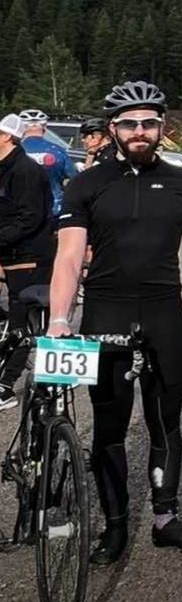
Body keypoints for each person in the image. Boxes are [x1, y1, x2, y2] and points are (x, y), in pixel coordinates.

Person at [46, 80, 182, 564]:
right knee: (110, 424)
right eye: (129, 123)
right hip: (106, 309)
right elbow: (68, 258)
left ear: (161, 127)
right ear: (113, 128)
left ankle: (165, 518)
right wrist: (59, 319)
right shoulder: (85, 185)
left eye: (148, 123)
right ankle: (115, 525)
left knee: (166, 420)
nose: (139, 131)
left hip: (164, 311)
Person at [0, 113, 54, 409]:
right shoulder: (6, 168)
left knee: (26, 324)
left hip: (29, 258)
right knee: (15, 321)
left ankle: (6, 386)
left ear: (7, 137)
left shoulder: (25, 171)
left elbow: (29, 218)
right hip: (11, 256)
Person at [17, 109, 74, 216]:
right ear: (45, 127)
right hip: (52, 207)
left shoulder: (13, 151)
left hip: (20, 209)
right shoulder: (58, 151)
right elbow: (72, 180)